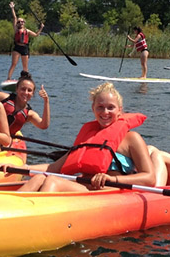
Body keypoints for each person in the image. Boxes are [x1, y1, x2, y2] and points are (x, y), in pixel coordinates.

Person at [15, 82, 155, 192]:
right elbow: (54, 167)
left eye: (110, 107)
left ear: (120, 110)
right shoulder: (88, 136)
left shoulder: (132, 139)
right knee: (39, 178)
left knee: (52, 181)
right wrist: (22, 167)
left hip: (109, 190)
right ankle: (11, 209)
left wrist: (113, 179)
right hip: (83, 186)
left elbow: (149, 178)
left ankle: (36, 220)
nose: (105, 112)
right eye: (100, 107)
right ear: (93, 108)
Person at [0, 71, 51, 136]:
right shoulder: (3, 98)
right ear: (16, 89)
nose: (26, 93)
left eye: (29, 90)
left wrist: (46, 101)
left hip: (6, 140)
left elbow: (44, 125)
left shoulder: (29, 114)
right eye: (23, 89)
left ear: (32, 93)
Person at [6, 1, 44, 81]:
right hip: (17, 48)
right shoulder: (16, 29)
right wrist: (12, 8)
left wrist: (41, 28)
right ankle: (8, 78)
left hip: (25, 48)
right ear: (17, 23)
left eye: (22, 22)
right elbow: (14, 17)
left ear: (24, 23)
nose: (20, 23)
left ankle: (25, 79)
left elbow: (36, 35)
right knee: (14, 64)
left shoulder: (27, 31)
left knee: (25, 66)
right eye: (19, 22)